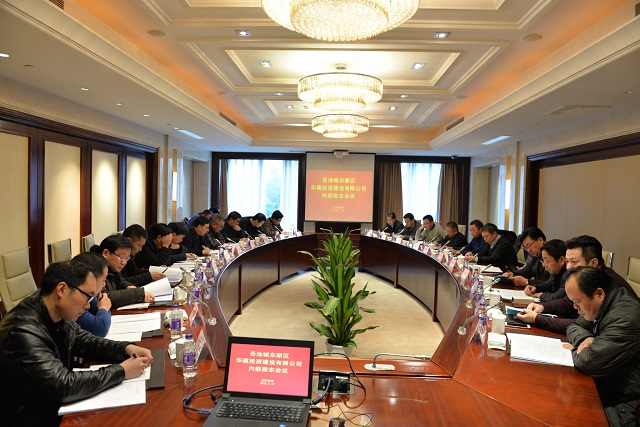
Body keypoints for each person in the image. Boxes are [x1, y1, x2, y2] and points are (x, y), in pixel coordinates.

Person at [0, 260, 152, 426]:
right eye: (87, 296)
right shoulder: (22, 331)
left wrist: (125, 348)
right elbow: (63, 385)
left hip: (49, 407)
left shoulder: (56, 313)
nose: (87, 306)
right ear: (62, 289)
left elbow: (86, 342)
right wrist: (121, 371)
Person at [563, 266, 640, 427]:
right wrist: (586, 338)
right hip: (604, 384)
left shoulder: (625, 318)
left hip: (623, 404)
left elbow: (589, 361)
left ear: (599, 293)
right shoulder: (603, 304)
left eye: (578, 302)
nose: (575, 308)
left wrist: (575, 350)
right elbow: (574, 326)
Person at [517, 235, 633, 334]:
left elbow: (585, 324)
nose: (568, 267)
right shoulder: (587, 278)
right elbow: (569, 303)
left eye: (574, 262)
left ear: (594, 263)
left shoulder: (609, 284)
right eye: (567, 261)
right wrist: (542, 307)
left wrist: (537, 319)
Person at [92, 234, 154, 308]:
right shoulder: (94, 268)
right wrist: (137, 293)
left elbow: (121, 280)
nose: (124, 262)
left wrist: (129, 287)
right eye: (121, 257)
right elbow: (105, 297)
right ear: (106, 253)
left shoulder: (111, 267)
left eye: (127, 258)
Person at [72, 252, 112, 337]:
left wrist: (103, 308)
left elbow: (97, 308)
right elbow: (100, 329)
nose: (104, 284)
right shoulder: (73, 300)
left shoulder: (84, 293)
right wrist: (104, 308)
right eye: (103, 280)